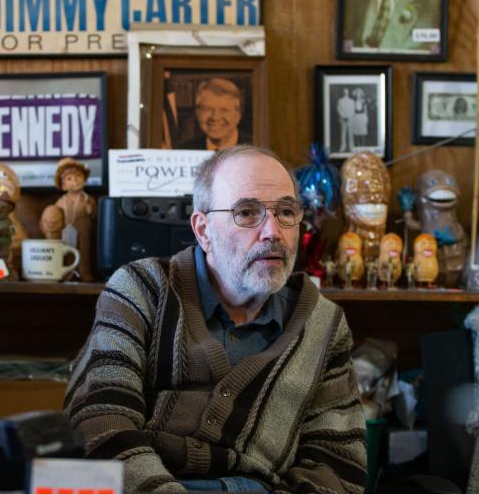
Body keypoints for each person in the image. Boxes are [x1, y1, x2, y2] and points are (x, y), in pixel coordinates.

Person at [65, 145, 366, 492]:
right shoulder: (142, 290)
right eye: (247, 212)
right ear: (203, 230)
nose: (273, 231)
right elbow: (100, 417)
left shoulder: (324, 326)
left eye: (286, 211)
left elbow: (339, 461)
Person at [179, 78, 250, 150]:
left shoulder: (256, 149)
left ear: (238, 115)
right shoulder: (183, 151)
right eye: (208, 109)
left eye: (224, 110)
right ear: (197, 113)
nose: (215, 117)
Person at [336, 87, 355, 152]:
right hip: (343, 119)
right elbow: (339, 110)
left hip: (350, 119)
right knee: (343, 133)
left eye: (346, 92)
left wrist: (349, 117)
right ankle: (343, 146)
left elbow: (353, 110)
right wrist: (343, 116)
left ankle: (351, 147)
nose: (345, 93)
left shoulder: (352, 101)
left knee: (350, 133)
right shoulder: (340, 100)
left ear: (348, 92)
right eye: (344, 92)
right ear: (343, 92)